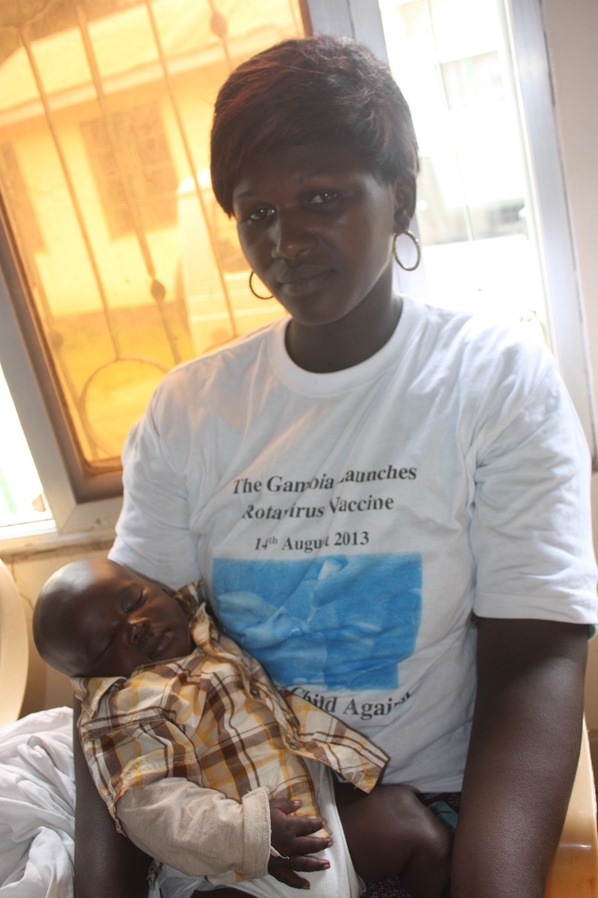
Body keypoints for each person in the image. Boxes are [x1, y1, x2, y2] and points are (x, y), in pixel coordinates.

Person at [71, 34, 597, 898]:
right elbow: (118, 677)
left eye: (321, 197)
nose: (286, 240)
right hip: (234, 830)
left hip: (419, 818)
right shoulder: (190, 409)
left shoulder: (495, 381)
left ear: (400, 197)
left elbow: (536, 656)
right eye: (257, 214)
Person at [33, 558, 451, 898]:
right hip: (229, 867)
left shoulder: (207, 636)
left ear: (157, 586)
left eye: (134, 601)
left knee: (413, 825)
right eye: (108, 643)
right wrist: (250, 833)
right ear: (92, 680)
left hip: (316, 823)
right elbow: (155, 809)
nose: (135, 626)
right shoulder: (123, 710)